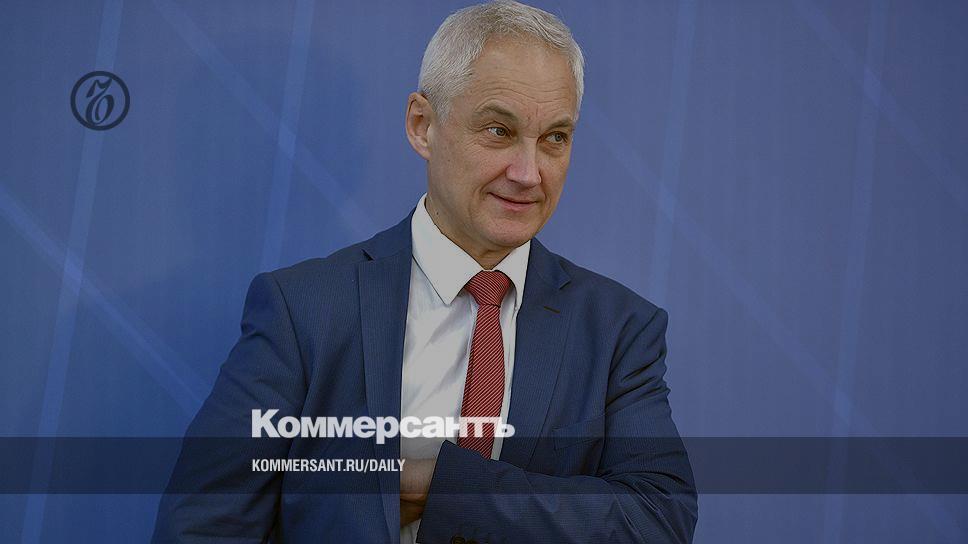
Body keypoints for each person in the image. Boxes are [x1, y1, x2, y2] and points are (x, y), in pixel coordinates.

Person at [152, 1, 697, 543]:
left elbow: (659, 522)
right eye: (499, 130)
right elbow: (202, 528)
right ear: (422, 125)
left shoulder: (619, 329)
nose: (529, 173)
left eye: (555, 137)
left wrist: (448, 487)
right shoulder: (304, 311)